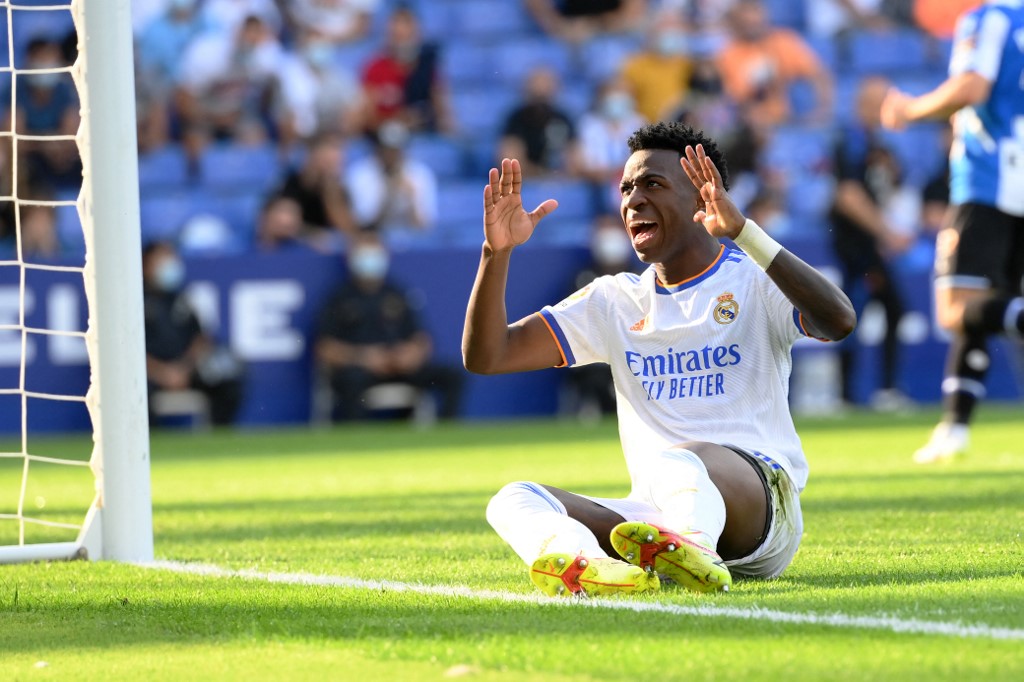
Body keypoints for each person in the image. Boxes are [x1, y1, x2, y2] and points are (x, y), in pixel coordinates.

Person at [463, 122, 855, 598]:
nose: (632, 200)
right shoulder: (614, 300)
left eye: (652, 184)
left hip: (761, 510)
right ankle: (592, 567)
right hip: (655, 520)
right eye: (626, 187)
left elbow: (838, 321)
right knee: (513, 499)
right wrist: (495, 253)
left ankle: (695, 552)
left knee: (681, 461)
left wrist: (745, 232)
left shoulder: (752, 280)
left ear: (700, 200)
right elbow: (488, 355)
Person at [880, 2, 1024, 463]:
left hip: (990, 182)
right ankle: (955, 427)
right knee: (990, 303)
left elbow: (971, 85)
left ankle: (955, 428)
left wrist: (909, 109)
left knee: (956, 308)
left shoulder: (990, 17)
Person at [830, 76, 914, 410]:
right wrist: (887, 232)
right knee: (852, 313)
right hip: (855, 244)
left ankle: (856, 393)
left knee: (872, 311)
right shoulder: (851, 140)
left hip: (867, 244)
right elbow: (847, 196)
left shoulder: (874, 143)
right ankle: (855, 394)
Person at [315, 233, 463, 422]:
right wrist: (363, 358)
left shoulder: (397, 293)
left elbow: (422, 339)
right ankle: (355, 441)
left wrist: (410, 355)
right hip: (361, 369)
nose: (370, 260)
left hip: (399, 368)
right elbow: (325, 349)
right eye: (364, 255)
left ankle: (446, 436)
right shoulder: (338, 298)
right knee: (350, 380)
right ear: (350, 258)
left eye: (375, 254)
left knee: (452, 375)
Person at [142, 241, 245, 426]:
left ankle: (220, 437)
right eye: (161, 259)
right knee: (133, 392)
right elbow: (128, 351)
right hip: (148, 374)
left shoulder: (182, 299)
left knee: (228, 381)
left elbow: (201, 339)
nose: (169, 264)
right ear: (145, 265)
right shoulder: (134, 303)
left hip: (185, 370)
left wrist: (183, 369)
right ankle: (147, 444)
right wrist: (163, 373)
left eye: (171, 258)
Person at [716, 0, 834, 128]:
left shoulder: (784, 41)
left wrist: (821, 110)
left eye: (755, 19)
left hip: (791, 119)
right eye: (746, 22)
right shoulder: (728, 53)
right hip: (754, 126)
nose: (752, 24)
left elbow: (818, 75)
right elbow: (736, 99)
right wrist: (758, 84)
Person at [360, 4, 452, 134]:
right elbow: (368, 116)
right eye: (397, 35)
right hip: (386, 135)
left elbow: (441, 109)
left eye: (407, 35)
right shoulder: (375, 67)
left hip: (423, 132)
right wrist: (399, 119)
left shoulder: (426, 66)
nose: (402, 40)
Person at [497, 67, 581, 178]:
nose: (541, 92)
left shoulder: (562, 119)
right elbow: (509, 161)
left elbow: (575, 161)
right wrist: (542, 175)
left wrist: (559, 176)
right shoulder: (516, 119)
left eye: (546, 88)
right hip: (526, 182)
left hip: (559, 182)